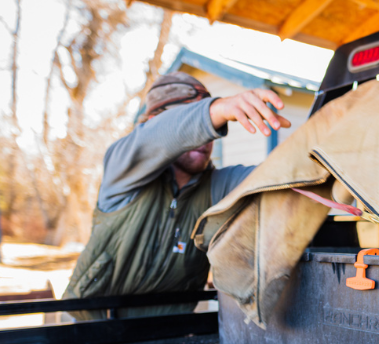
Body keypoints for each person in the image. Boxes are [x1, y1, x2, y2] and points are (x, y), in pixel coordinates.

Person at [62, 72, 291, 319]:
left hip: (166, 341)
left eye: (207, 129)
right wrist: (216, 110)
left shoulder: (217, 189)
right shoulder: (124, 168)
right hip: (85, 337)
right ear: (154, 121)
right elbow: (153, 137)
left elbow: (280, 178)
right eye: (189, 120)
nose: (205, 136)